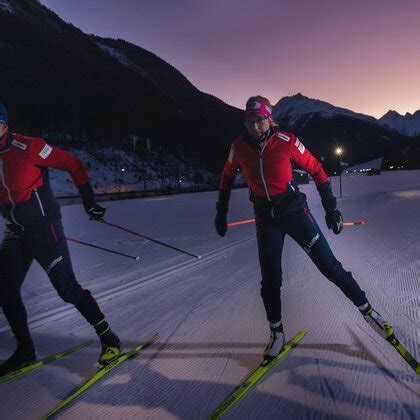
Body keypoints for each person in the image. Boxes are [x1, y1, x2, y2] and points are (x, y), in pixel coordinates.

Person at [215, 96, 393, 360]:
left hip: (294, 213)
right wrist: (222, 210)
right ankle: (277, 333)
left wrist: (331, 208)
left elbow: (317, 170)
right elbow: (226, 176)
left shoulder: (287, 141)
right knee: (270, 280)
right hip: (266, 218)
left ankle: (369, 312)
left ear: (269, 119)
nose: (254, 126)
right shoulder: (238, 148)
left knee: (329, 266)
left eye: (259, 120)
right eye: (250, 121)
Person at [0, 103, 121, 375]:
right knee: (5, 291)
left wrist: (89, 200)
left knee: (66, 289)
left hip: (44, 229)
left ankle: (109, 338)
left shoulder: (30, 147)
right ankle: (25, 350)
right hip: (14, 231)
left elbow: (72, 163)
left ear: (5, 125)